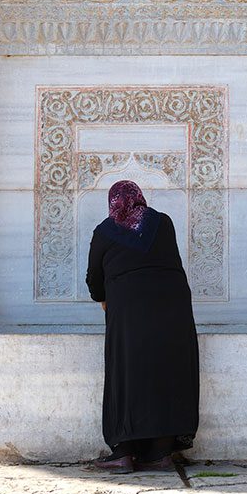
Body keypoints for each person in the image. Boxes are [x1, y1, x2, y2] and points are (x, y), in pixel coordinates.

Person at [84, 180, 200, 473]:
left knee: (127, 372)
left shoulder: (104, 232)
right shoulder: (162, 223)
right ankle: (161, 453)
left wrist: (104, 299)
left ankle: (124, 452)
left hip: (128, 312)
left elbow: (94, 280)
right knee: (166, 371)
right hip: (173, 308)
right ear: (140, 199)